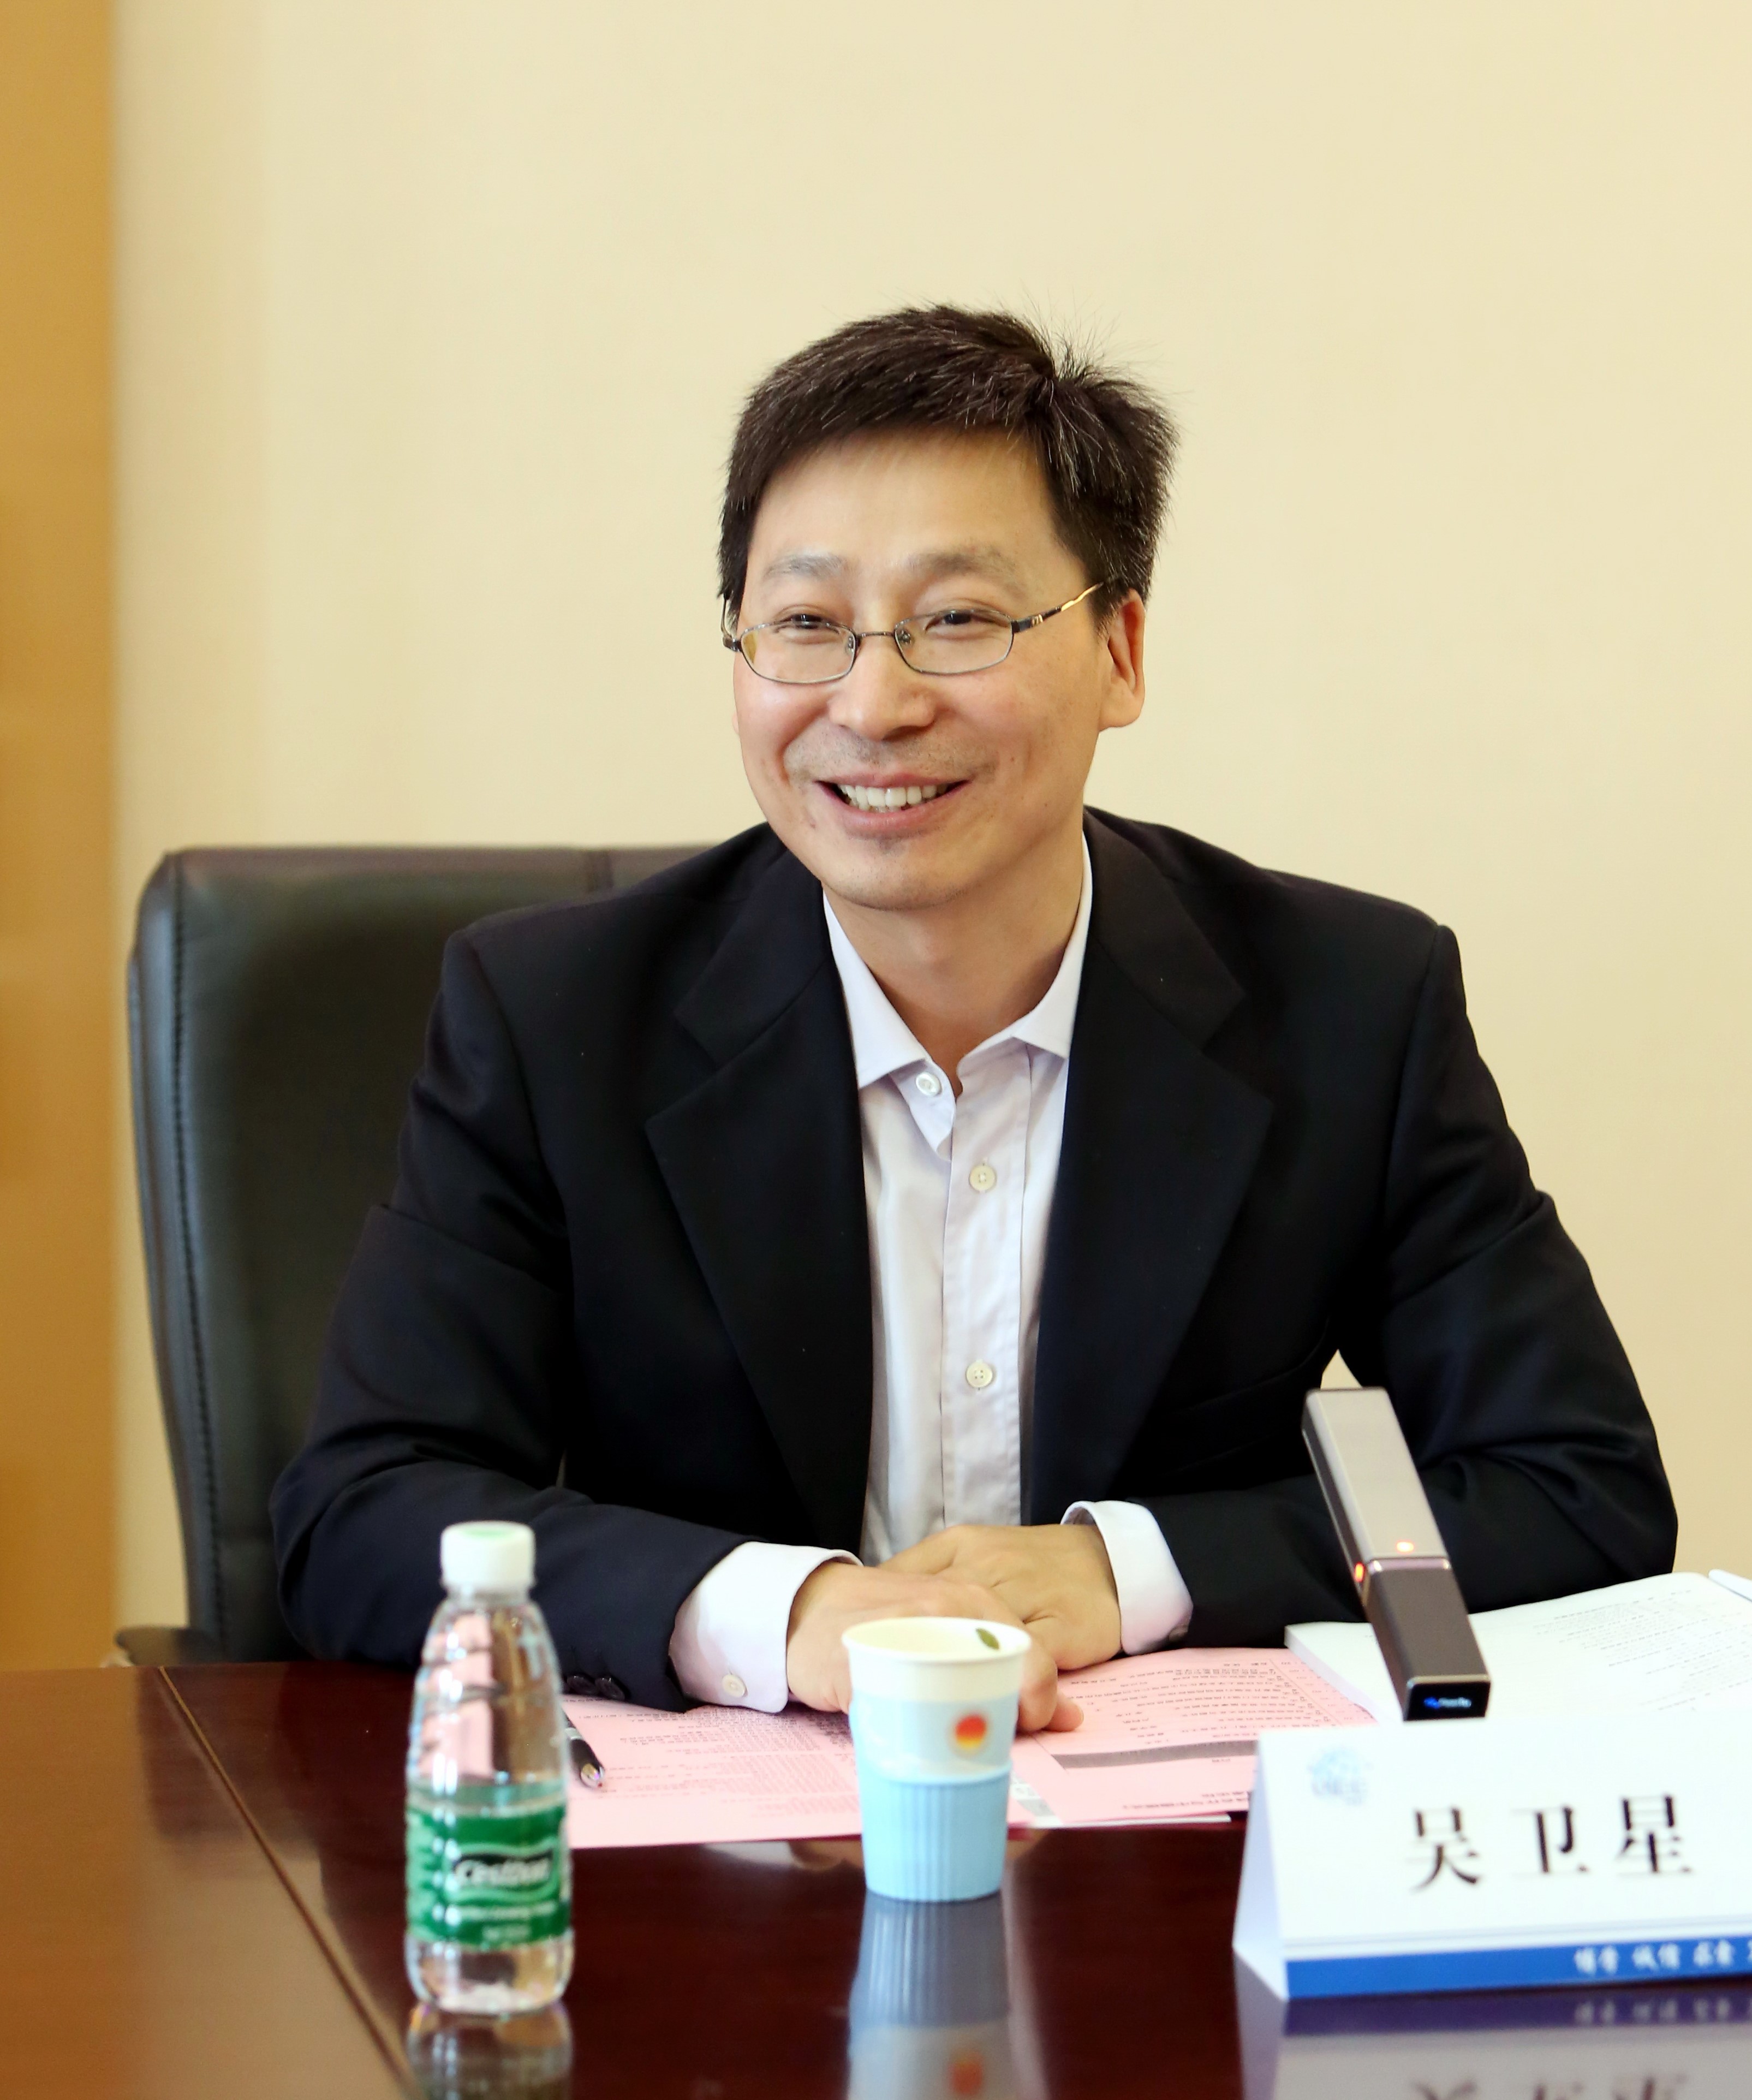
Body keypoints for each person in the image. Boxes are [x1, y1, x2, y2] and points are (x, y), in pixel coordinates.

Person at [271, 306, 1675, 1732]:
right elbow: (362, 1512)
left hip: (1153, 1828)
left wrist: (1130, 1571)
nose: (872, 704)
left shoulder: (1347, 1006)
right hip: (718, 1839)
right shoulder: (552, 1020)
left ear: (1120, 652)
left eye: (956, 620)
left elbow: (1575, 1486)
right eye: (804, 626)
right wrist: (788, 1616)